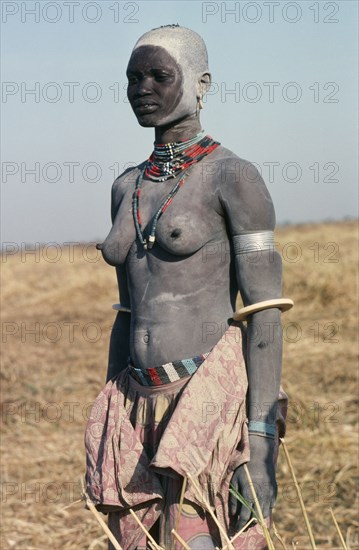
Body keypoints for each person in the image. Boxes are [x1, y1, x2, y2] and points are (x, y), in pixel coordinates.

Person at [85, 25, 290, 549]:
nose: (142, 89)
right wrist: (110, 414)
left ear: (201, 84)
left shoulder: (233, 176)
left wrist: (261, 445)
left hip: (206, 398)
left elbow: (264, 313)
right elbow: (127, 313)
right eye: (133, 78)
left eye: (159, 75)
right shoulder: (126, 186)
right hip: (135, 401)